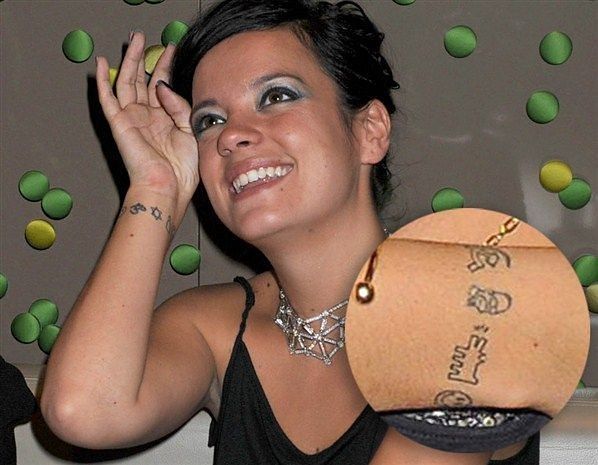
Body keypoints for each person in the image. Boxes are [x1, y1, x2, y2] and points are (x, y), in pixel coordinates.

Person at [41, 1, 539, 463]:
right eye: (209, 121)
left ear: (369, 131)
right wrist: (155, 187)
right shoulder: (212, 326)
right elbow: (83, 412)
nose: (231, 135)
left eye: (277, 96)